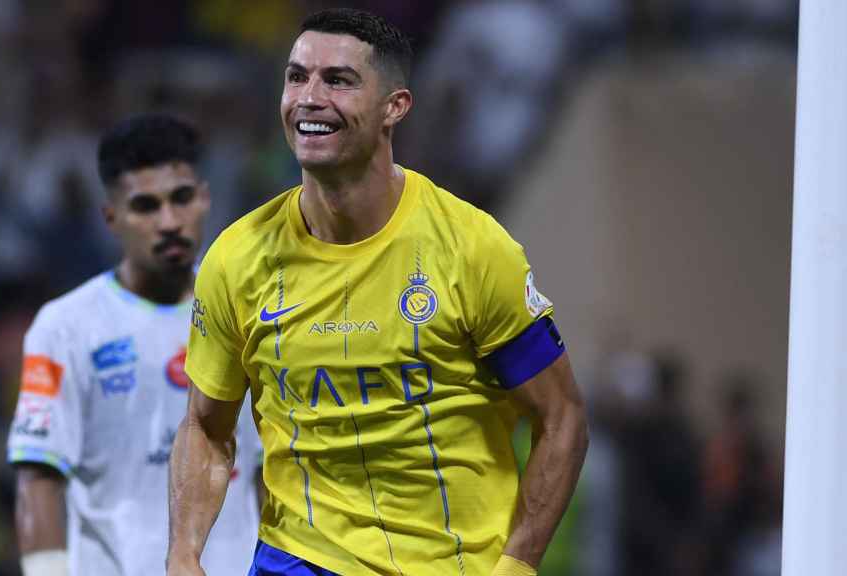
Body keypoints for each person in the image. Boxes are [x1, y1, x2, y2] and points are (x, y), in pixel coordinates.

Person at [167, 9, 587, 576]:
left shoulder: (472, 249)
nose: (309, 98)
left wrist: (515, 567)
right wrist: (183, 554)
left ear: (395, 107)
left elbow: (561, 420)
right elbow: (205, 427)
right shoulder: (237, 259)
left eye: (337, 80)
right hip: (298, 560)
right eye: (296, 77)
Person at [7, 114, 263, 576]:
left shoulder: (251, 309)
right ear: (112, 217)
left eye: (181, 198)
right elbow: (39, 476)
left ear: (205, 198)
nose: (169, 221)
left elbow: (270, 469)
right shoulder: (65, 327)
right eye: (146, 206)